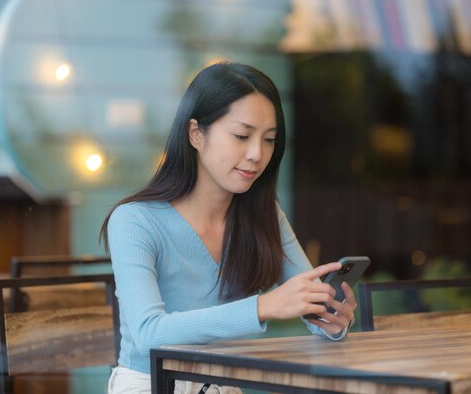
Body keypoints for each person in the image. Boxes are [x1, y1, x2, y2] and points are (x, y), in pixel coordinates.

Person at [101, 62, 357, 394]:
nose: (257, 154)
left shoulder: (264, 215)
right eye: (241, 136)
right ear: (196, 134)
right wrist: (264, 306)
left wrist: (331, 320)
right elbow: (149, 333)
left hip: (225, 385)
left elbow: (308, 299)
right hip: (152, 385)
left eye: (269, 140)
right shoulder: (135, 220)